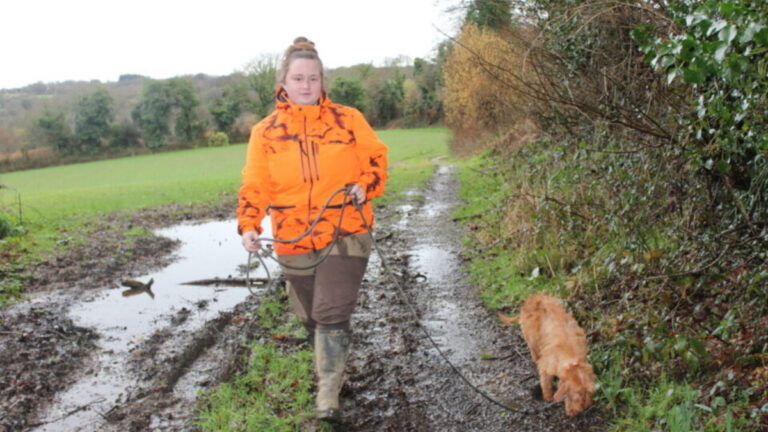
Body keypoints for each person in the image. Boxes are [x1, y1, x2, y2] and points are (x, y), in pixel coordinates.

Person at [237, 36, 388, 422]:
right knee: (310, 315)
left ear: (323, 82)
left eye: (314, 79)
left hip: (346, 229)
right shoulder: (265, 132)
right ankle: (334, 373)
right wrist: (249, 224)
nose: (306, 86)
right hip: (293, 235)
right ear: (283, 83)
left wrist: (364, 185)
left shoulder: (348, 119)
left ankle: (327, 397)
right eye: (299, 78)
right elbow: (255, 183)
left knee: (330, 310)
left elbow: (376, 159)